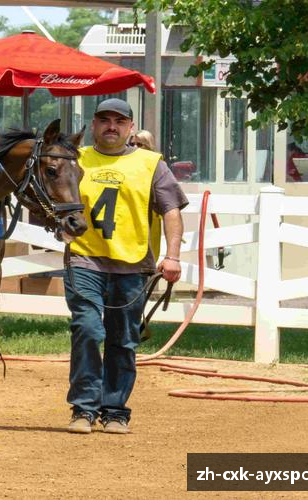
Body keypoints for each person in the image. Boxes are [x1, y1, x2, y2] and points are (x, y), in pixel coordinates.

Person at [65, 98, 187, 435]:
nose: (111, 127)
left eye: (119, 121)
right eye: (104, 120)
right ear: (93, 124)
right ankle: (84, 408)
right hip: (85, 258)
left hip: (132, 264)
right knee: (88, 330)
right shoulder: (77, 159)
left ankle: (115, 410)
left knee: (123, 339)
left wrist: (172, 255)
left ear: (130, 127)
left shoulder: (152, 164)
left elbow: (172, 211)